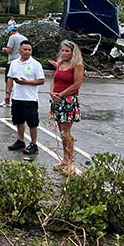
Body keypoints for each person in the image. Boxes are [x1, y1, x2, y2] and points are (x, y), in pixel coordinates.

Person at [49, 40, 84, 174]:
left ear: (73, 52)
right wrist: (51, 92)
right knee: (61, 132)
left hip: (68, 101)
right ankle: (65, 159)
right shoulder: (60, 64)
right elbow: (54, 80)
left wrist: (61, 94)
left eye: (67, 51)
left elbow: (77, 85)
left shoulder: (77, 65)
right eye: (62, 50)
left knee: (66, 133)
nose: (64, 53)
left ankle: (71, 162)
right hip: (57, 100)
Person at [5, 40, 45, 156]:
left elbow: (41, 80)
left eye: (29, 50)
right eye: (25, 49)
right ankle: (20, 140)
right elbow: (10, 78)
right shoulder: (14, 63)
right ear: (19, 50)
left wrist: (27, 82)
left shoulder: (36, 64)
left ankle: (33, 144)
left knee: (32, 123)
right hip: (17, 97)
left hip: (30, 99)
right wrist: (8, 93)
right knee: (19, 120)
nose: (27, 52)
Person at [0, 25, 27, 107]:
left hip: (12, 62)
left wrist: (4, 49)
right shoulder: (24, 38)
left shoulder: (12, 38)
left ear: (11, 31)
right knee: (20, 81)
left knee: (9, 81)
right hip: (23, 62)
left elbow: (9, 50)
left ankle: (7, 100)